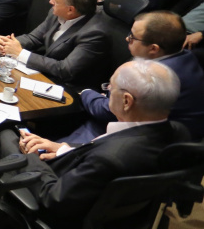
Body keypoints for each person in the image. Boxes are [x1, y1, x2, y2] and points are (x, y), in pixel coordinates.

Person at [1, 60, 189, 229]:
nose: (105, 92)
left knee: (5, 135)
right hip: (120, 221)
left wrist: (30, 158)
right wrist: (63, 149)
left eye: (109, 88)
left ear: (126, 101)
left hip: (67, 223)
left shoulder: (109, 158)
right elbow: (101, 162)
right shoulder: (178, 134)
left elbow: (53, 199)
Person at [62, 11, 204, 143]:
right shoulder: (185, 56)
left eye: (132, 37)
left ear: (153, 48)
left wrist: (85, 93)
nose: (126, 38)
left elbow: (110, 112)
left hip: (149, 143)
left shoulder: (155, 76)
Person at [0, 0, 109, 90]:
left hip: (66, 88)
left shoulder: (94, 34)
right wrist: (7, 44)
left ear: (70, 10)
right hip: (43, 73)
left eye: (57, 1)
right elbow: (34, 38)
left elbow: (65, 70)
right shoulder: (56, 12)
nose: (51, 1)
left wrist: (20, 53)